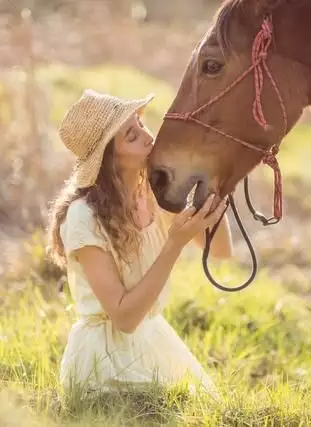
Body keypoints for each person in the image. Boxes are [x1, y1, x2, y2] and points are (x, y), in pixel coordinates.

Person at [46, 89, 232, 399]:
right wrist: (175, 244)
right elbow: (124, 318)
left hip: (154, 340)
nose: (148, 138)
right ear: (109, 159)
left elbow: (222, 251)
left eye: (141, 126)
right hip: (104, 361)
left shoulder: (156, 197)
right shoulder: (83, 217)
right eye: (132, 136)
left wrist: (212, 187)